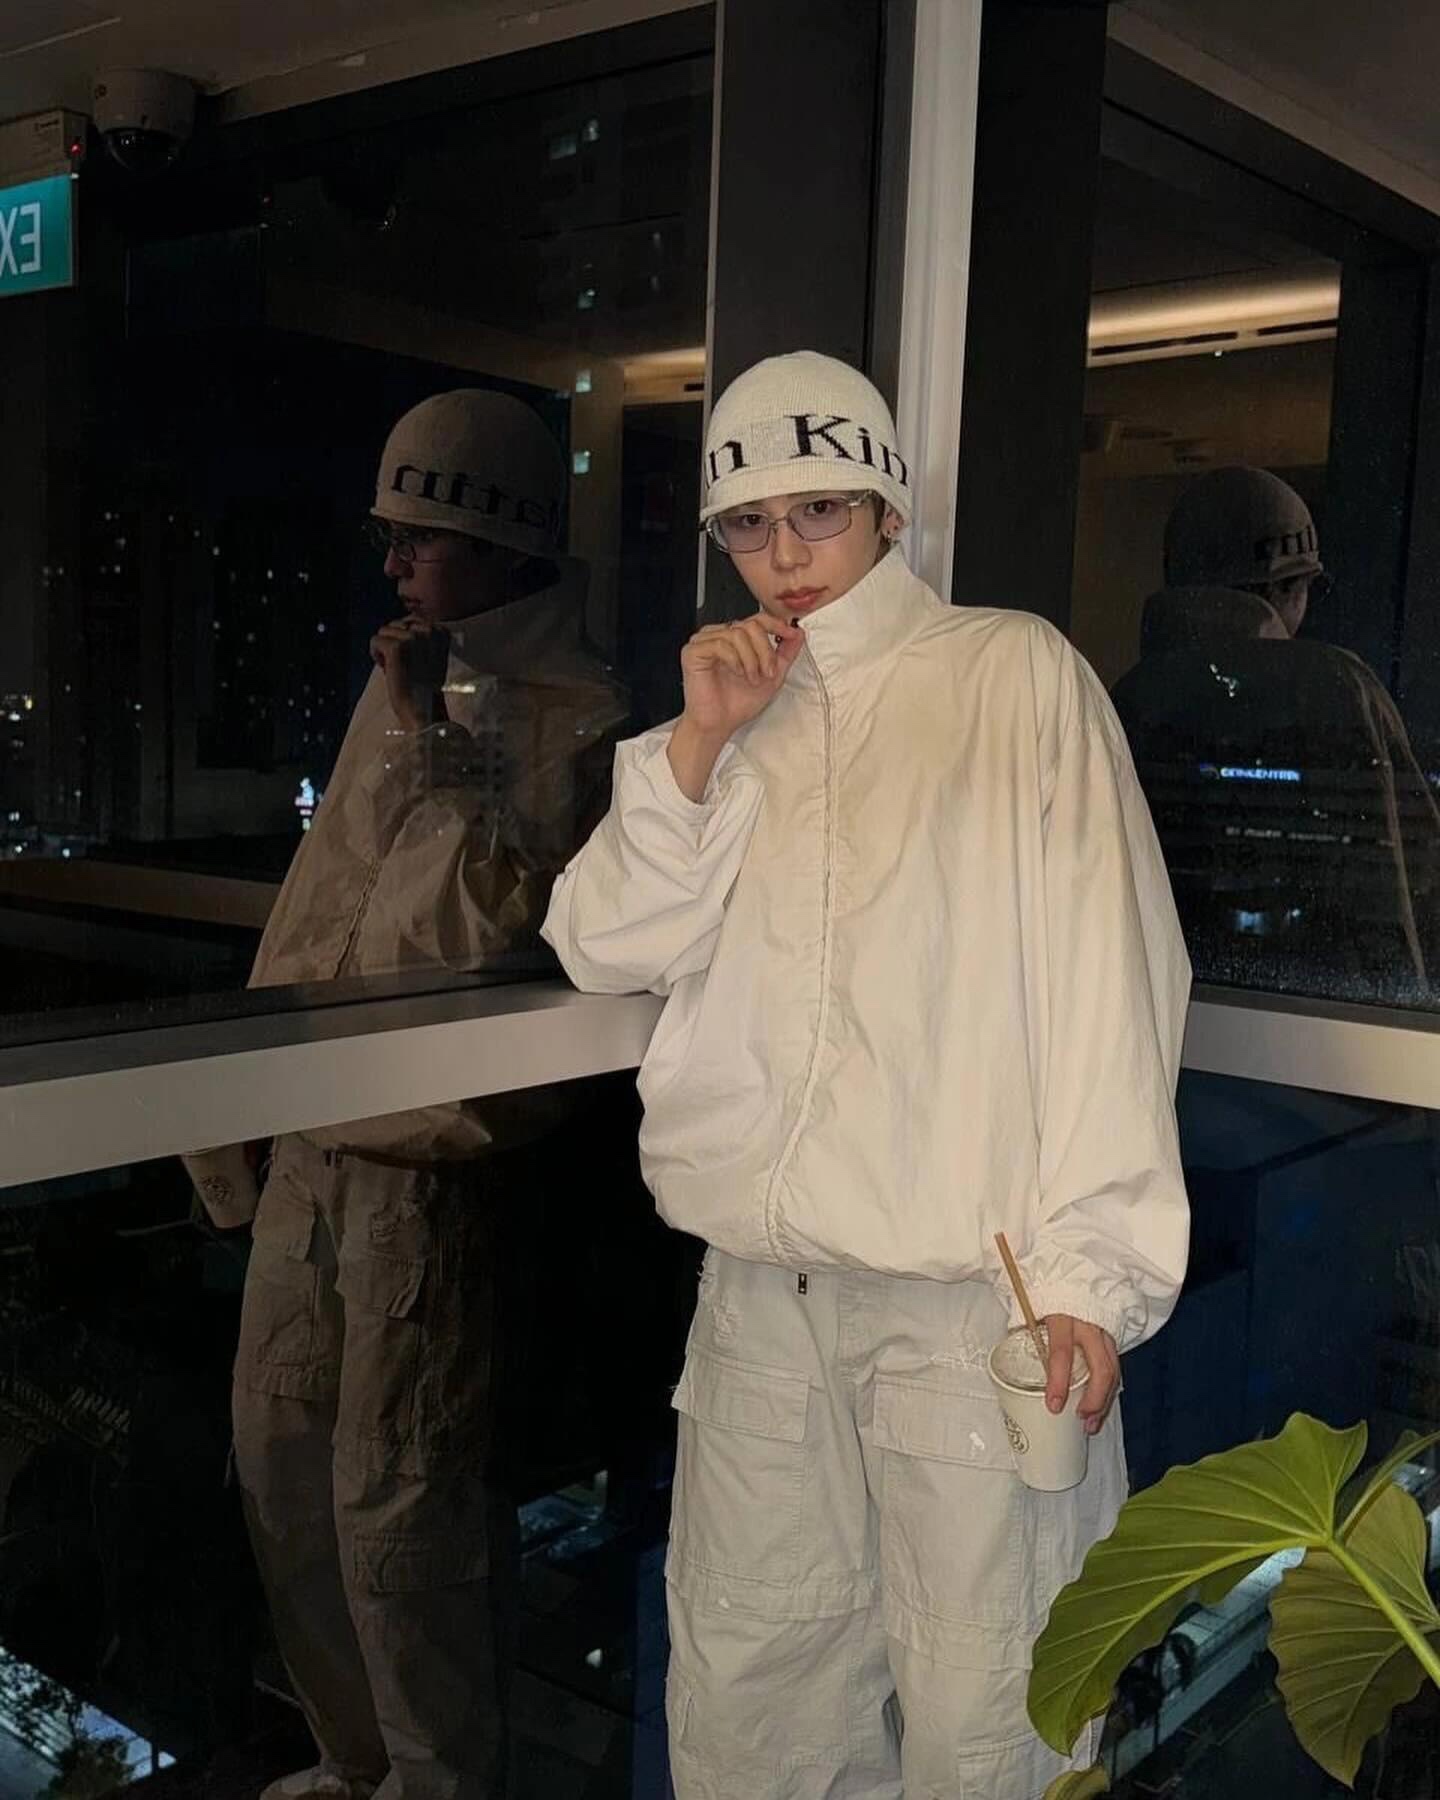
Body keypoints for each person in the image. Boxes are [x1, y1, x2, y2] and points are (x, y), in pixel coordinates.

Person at [541, 351, 1191, 1796]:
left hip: (972, 1308)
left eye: (819, 511)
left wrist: (1094, 1271)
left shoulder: (1010, 674)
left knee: (994, 1723)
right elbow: (600, 945)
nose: (785, 556)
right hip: (758, 1309)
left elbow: (1117, 976)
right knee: (752, 1714)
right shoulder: (724, 718)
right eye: (749, 524)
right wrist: (699, 746)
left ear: (889, 508)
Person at [186, 388, 628, 1800]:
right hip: (317, 1138)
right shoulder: (405, 683)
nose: (393, 567)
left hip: (429, 1173)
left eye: (416, 540)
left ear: (501, 545)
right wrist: (237, 1104)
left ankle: (434, 1783)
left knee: (403, 1509)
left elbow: (491, 930)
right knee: (279, 1462)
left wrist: (430, 732)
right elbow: (322, 901)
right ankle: (352, 1757)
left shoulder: (582, 718)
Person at [1112, 465, 1440, 993]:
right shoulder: (1338, 686)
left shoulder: (1131, 697)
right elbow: (1415, 869)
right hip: (1322, 1017)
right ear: (1288, 586)